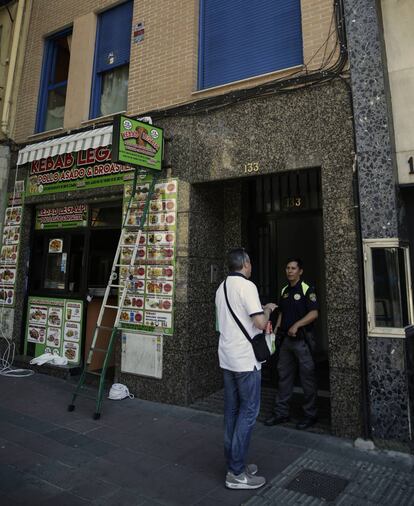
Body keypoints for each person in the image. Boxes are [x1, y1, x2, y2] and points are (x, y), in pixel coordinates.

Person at [215, 248, 277, 490]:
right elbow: (260, 322)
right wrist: (269, 308)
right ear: (246, 264)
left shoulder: (222, 288)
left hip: (227, 358)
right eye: (250, 262)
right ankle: (237, 473)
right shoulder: (247, 286)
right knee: (249, 412)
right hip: (244, 360)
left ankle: (234, 463)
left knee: (232, 411)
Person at [264, 258, 319, 430]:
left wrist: (297, 324)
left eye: (293, 268)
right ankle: (281, 413)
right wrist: (275, 332)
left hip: (302, 341)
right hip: (286, 341)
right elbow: (281, 314)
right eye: (287, 268)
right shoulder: (285, 290)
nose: (289, 271)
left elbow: (314, 313)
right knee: (284, 377)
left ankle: (310, 415)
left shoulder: (307, 289)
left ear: (300, 271)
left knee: (307, 379)